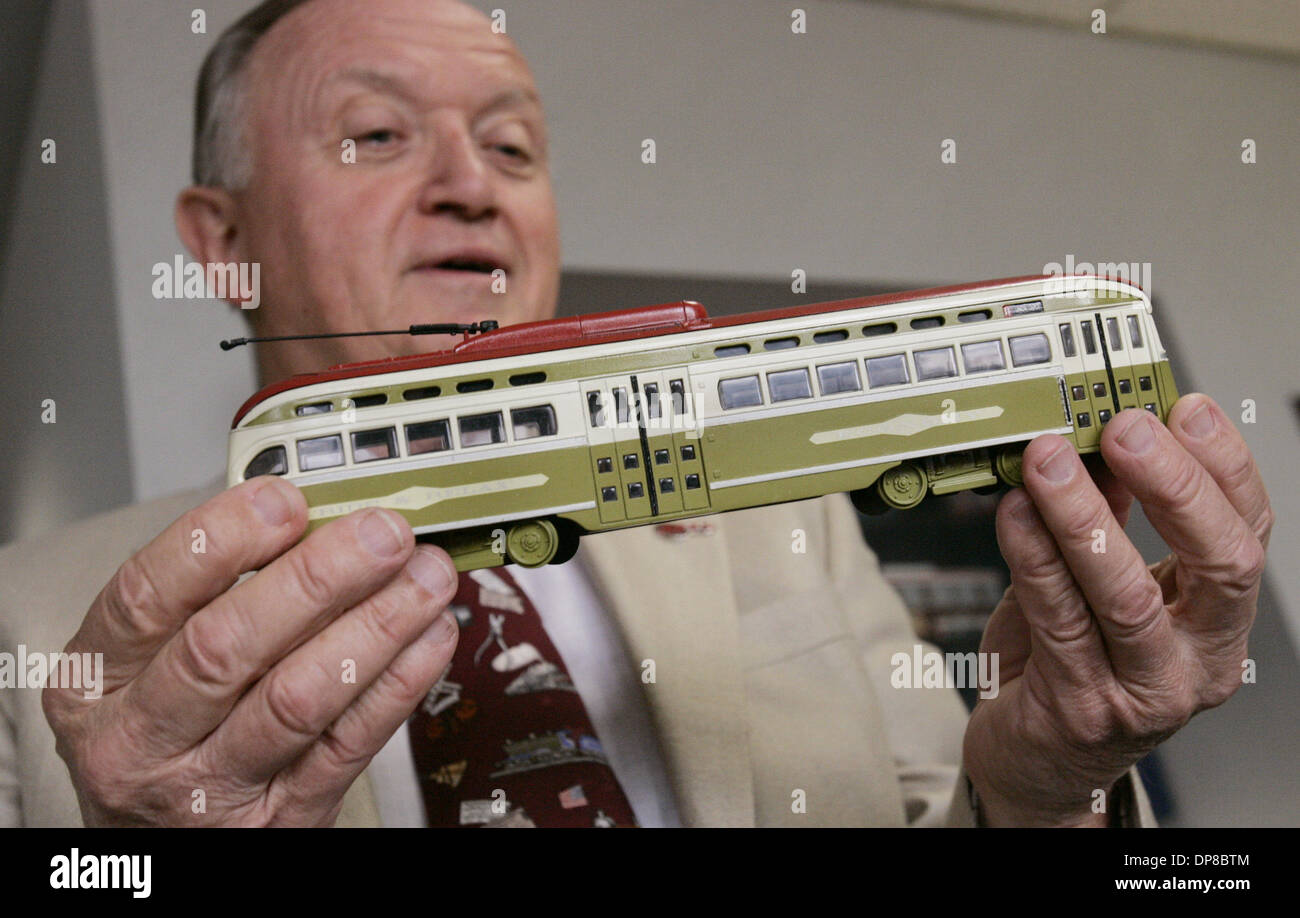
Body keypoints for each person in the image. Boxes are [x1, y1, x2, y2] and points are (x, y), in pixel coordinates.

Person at [0, 0, 1271, 827]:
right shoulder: (29, 618)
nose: (468, 188)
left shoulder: (793, 530)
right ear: (222, 243)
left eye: (512, 148)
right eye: (379, 134)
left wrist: (1042, 786)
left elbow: (960, 810)